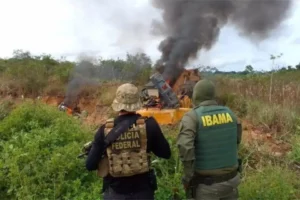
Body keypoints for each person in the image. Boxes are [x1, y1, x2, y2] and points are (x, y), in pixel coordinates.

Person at [85, 83, 171, 200]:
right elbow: (166, 153)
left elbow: (90, 165)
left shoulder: (105, 129)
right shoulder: (149, 125)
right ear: (137, 102)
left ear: (118, 103)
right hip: (143, 193)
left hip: (115, 194)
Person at [177, 79, 242, 200]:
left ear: (195, 95)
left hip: (206, 186)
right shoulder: (231, 114)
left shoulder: (192, 117)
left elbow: (185, 147)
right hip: (232, 181)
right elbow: (236, 141)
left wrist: (188, 177)